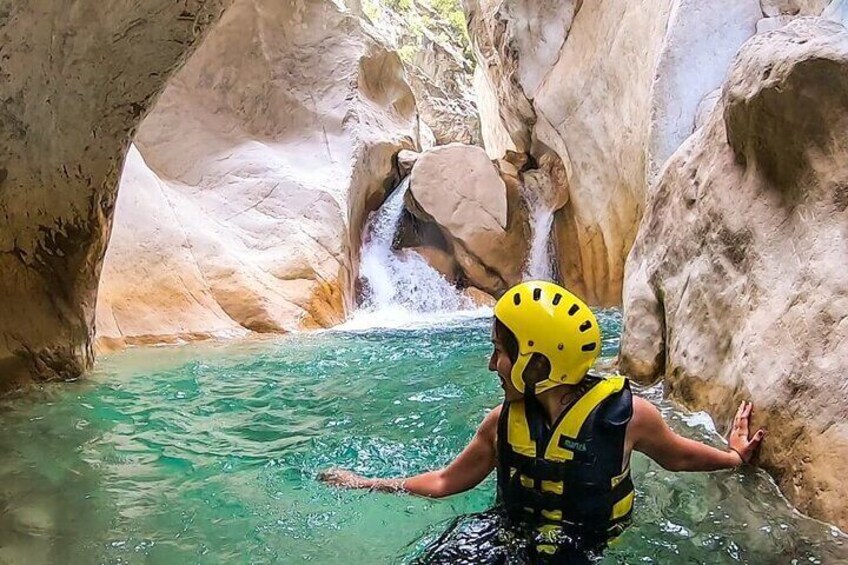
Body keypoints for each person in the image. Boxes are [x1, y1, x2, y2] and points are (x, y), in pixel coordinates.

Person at [320, 281, 766, 563]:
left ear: (538, 365)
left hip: (583, 546)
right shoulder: (500, 423)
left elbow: (678, 458)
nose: (492, 363)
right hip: (505, 535)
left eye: (502, 351)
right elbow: (443, 482)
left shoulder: (630, 418)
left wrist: (732, 457)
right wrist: (366, 483)